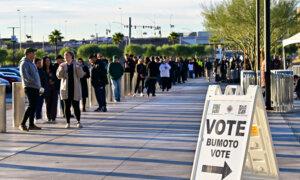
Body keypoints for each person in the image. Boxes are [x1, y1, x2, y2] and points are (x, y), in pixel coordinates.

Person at [56, 51, 85, 129]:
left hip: (75, 88)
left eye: (67, 55)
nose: (65, 56)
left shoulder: (77, 64)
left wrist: (79, 69)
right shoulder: (62, 65)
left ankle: (78, 122)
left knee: (76, 106)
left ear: (72, 56)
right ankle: (68, 122)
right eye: (65, 55)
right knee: (67, 106)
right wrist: (61, 69)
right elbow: (58, 76)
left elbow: (81, 75)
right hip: (66, 89)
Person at [19, 48, 43, 131]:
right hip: (30, 87)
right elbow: (26, 77)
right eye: (33, 53)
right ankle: (22, 124)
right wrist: (36, 83)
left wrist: (39, 86)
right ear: (28, 54)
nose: (34, 55)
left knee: (34, 106)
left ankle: (31, 124)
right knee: (31, 106)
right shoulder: (24, 63)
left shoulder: (31, 63)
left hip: (35, 87)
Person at [43, 56, 58, 123]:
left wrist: (53, 81)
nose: (48, 62)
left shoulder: (54, 68)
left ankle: (53, 118)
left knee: (54, 103)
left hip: (54, 88)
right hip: (46, 89)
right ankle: (49, 117)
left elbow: (58, 77)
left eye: (49, 60)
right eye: (46, 61)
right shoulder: (42, 69)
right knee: (48, 103)